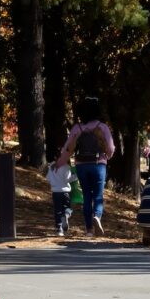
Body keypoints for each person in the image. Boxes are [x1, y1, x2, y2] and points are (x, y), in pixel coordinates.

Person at [57, 96, 115, 237]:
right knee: (98, 196)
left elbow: (67, 149)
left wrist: (60, 163)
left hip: (81, 165)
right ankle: (97, 216)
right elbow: (111, 148)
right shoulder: (102, 127)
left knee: (87, 197)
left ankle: (89, 230)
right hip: (98, 164)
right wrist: (107, 156)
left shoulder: (77, 128)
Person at [45, 159, 76, 237]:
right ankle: (66, 215)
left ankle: (59, 229)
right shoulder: (66, 166)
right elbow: (68, 179)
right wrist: (76, 176)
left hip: (55, 192)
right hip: (65, 192)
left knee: (57, 210)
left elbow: (48, 178)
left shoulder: (52, 166)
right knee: (68, 208)